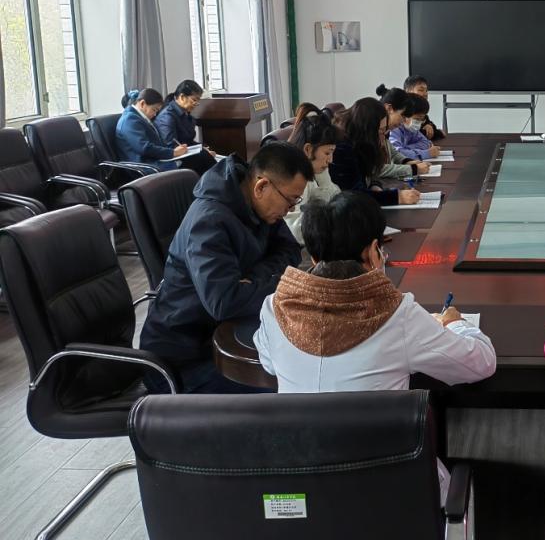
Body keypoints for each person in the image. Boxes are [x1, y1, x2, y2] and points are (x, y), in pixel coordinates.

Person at [254, 191, 495, 496]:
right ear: (372, 252)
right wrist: (454, 323)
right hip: (387, 490)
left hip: (300, 489)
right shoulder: (396, 314)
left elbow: (268, 362)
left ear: (313, 257)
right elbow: (480, 363)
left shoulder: (275, 307)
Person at [140, 142, 313, 393]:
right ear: (262, 186)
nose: (291, 209)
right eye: (290, 200)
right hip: (183, 361)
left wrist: (253, 277)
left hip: (225, 337)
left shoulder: (260, 206)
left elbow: (290, 250)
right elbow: (225, 302)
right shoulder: (209, 222)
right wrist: (281, 283)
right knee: (290, 390)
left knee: (304, 369)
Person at [330, 98, 421, 207]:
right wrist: (398, 197)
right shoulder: (342, 149)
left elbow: (371, 175)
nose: (383, 137)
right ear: (367, 130)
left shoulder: (360, 142)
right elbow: (354, 195)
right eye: (380, 131)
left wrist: (374, 185)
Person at [283, 106, 341, 245]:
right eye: (327, 153)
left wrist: (323, 177)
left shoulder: (312, 170)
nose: (331, 160)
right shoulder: (293, 177)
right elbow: (294, 230)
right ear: (308, 149)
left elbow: (334, 199)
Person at [116, 88, 187, 171]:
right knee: (187, 168)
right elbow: (144, 148)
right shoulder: (129, 120)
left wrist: (173, 151)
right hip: (143, 166)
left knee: (189, 163)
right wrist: (173, 153)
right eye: (154, 110)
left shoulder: (138, 117)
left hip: (153, 161)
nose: (155, 114)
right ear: (142, 103)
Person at [154, 79, 215, 174]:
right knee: (207, 161)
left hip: (185, 154)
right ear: (182, 97)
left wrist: (202, 148)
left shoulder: (186, 114)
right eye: (194, 100)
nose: (196, 104)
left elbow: (188, 141)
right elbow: (171, 146)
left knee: (213, 158)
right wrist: (202, 152)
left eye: (198, 100)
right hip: (173, 160)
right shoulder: (167, 117)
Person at [375, 84, 430, 178]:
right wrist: (413, 169)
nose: (403, 122)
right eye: (403, 116)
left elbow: (394, 153)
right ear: (389, 109)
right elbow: (376, 169)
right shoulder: (372, 129)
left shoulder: (385, 130)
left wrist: (408, 161)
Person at [389, 93, 440, 161]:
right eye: (417, 119)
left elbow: (426, 143)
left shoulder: (411, 129)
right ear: (406, 114)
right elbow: (397, 154)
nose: (419, 122)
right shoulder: (394, 129)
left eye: (422, 120)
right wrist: (427, 153)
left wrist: (406, 148)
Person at [404, 74, 444, 140]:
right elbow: (414, 134)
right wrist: (436, 132)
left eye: (426, 91)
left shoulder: (420, 109)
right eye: (421, 90)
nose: (425, 94)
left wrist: (430, 125)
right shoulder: (403, 109)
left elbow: (433, 130)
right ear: (408, 91)